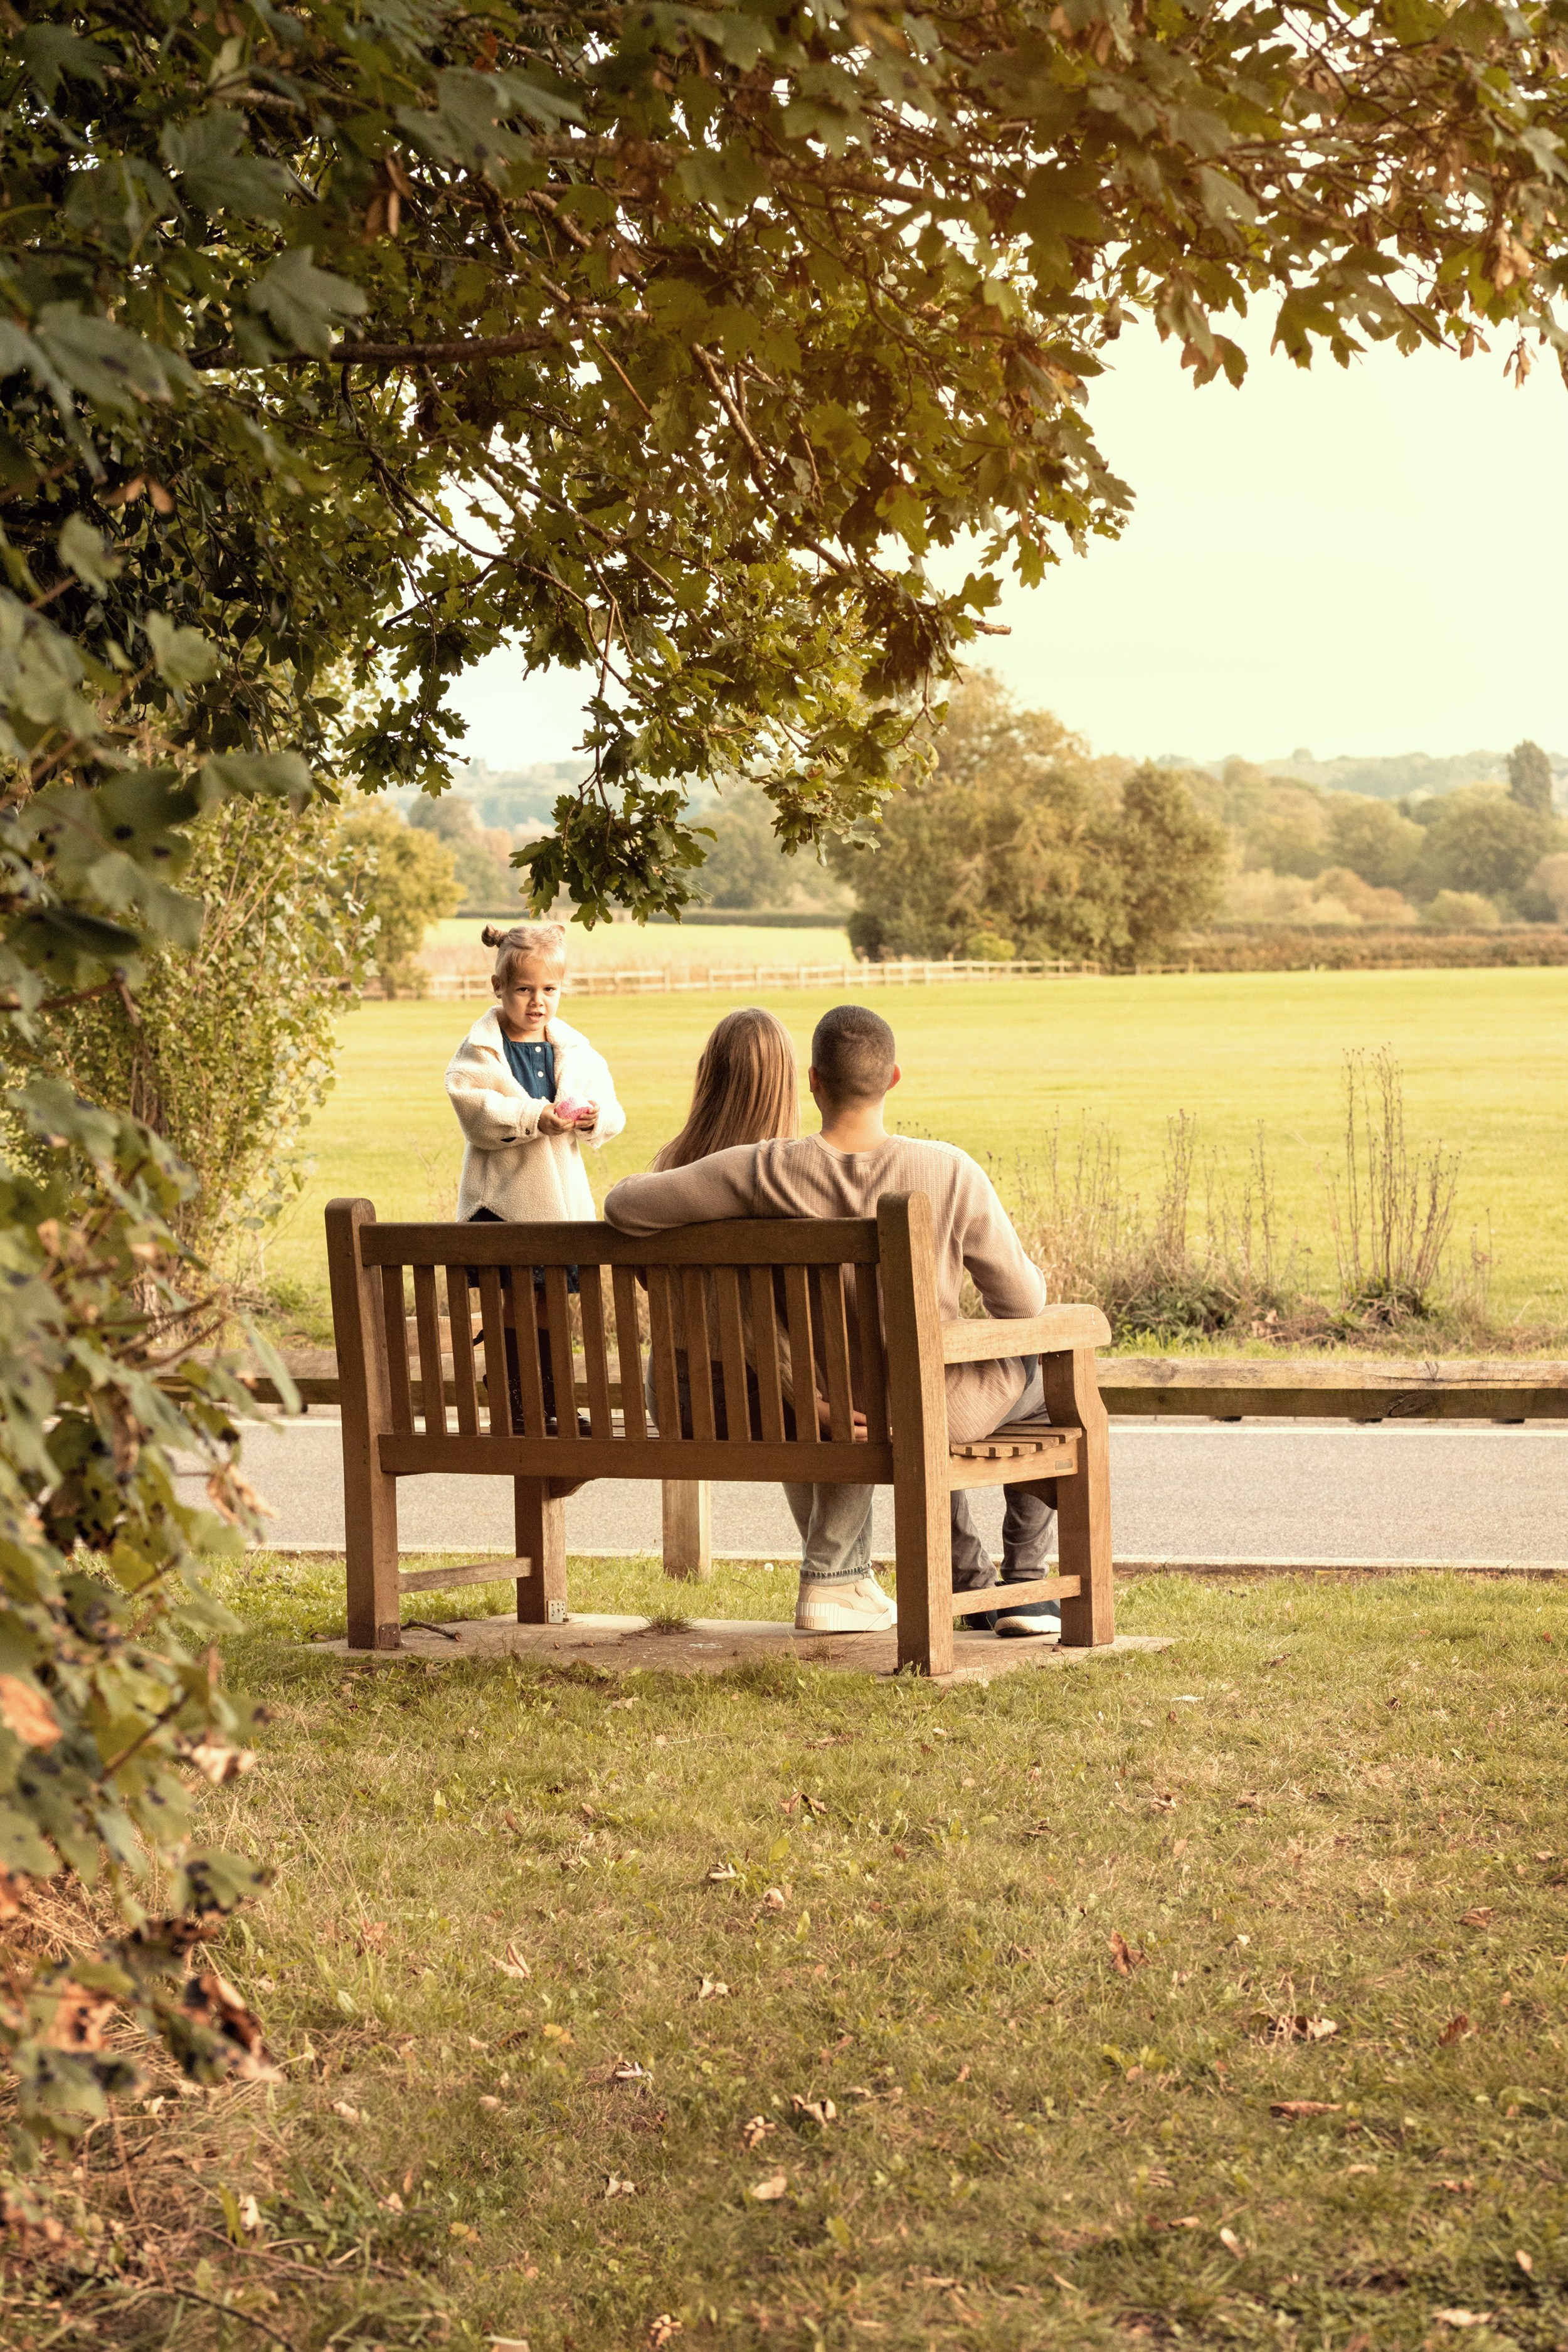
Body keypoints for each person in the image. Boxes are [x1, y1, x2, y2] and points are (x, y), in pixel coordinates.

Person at [605, 1003, 1059, 1639]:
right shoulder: (951, 1168)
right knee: (1047, 1376)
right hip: (927, 1404)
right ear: (894, 1078)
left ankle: (966, 1583)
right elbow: (1022, 1304)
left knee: (904, 1373)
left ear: (814, 1081)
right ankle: (1027, 1587)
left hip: (833, 1400)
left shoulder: (763, 1170)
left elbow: (623, 1206)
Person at [445, 921, 625, 1428]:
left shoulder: (575, 1051)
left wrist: (593, 1118)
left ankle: (553, 1405)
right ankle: (517, 1398)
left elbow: (612, 1109)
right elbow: (475, 1111)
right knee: (518, 1303)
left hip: (557, 1205)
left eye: (549, 989)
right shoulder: (481, 1051)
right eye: (524, 989)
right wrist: (533, 1118)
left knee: (549, 1308)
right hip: (503, 1205)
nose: (537, 1001)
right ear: (498, 988)